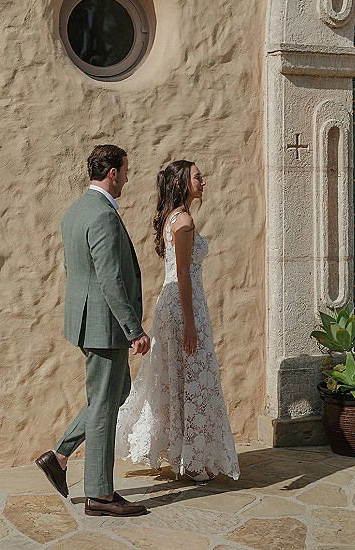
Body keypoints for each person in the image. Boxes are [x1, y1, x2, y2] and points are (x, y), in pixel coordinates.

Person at [36, 144, 151, 517]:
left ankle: (59, 455)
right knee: (105, 402)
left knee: (116, 391)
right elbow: (110, 279)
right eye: (126, 171)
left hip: (90, 321)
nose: (128, 178)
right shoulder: (101, 214)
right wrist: (133, 329)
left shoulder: (75, 210)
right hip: (106, 325)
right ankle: (100, 495)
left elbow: (74, 270)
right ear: (112, 173)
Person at [115, 160, 240, 482]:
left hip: (177, 304)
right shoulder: (183, 220)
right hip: (184, 307)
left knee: (177, 379)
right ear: (182, 182)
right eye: (198, 177)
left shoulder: (174, 217)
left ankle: (183, 453)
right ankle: (191, 461)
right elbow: (183, 273)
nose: (204, 181)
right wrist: (190, 323)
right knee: (192, 380)